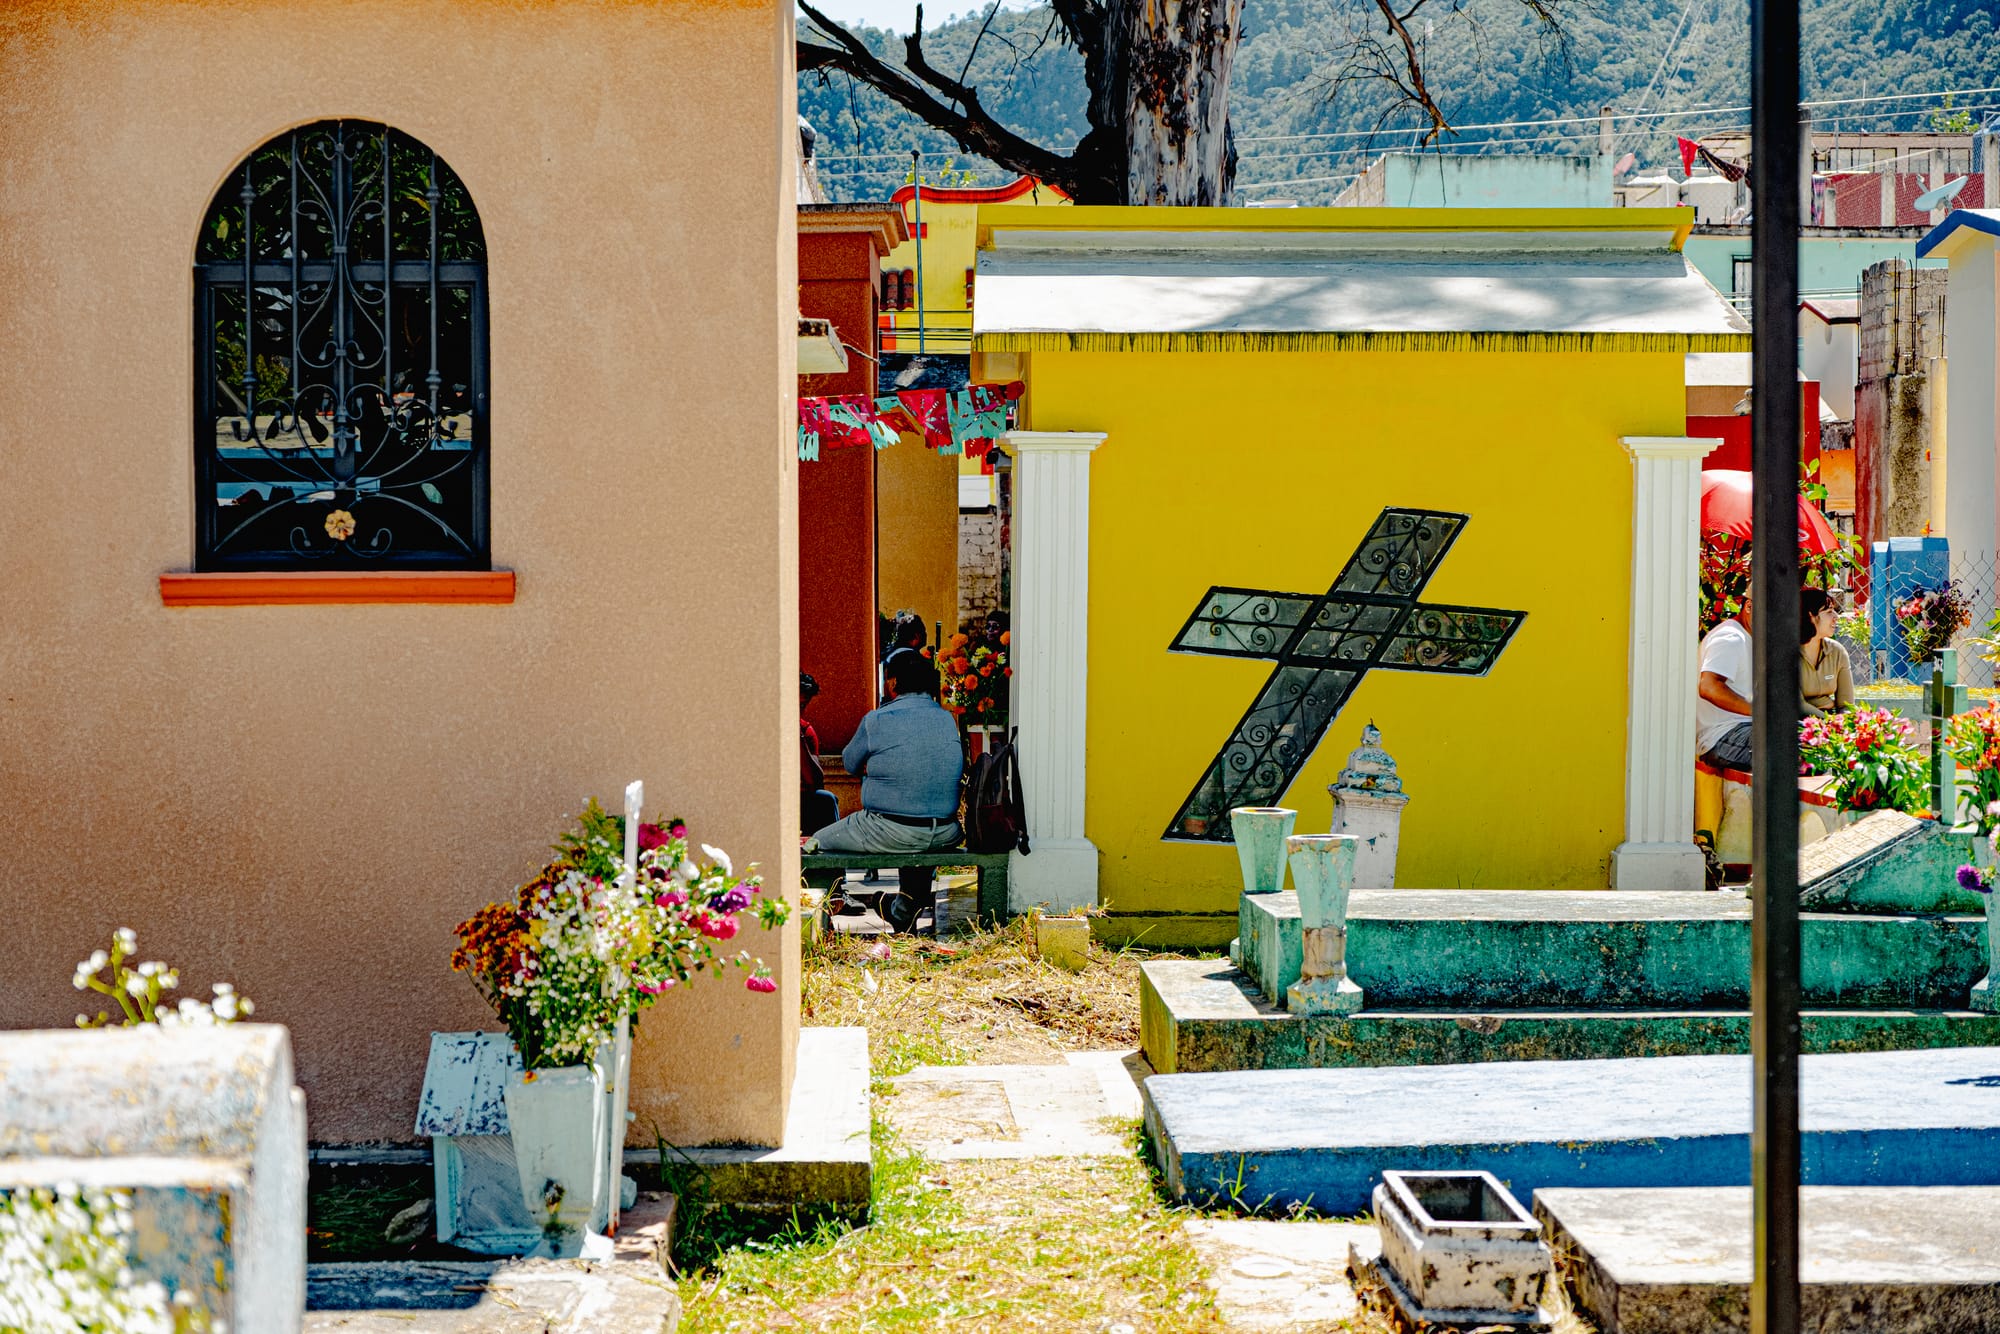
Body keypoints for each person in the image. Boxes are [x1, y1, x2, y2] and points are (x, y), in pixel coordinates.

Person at [809, 650, 964, 929]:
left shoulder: (877, 720)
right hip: (944, 832)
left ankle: (823, 921)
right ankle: (902, 912)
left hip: (886, 830)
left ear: (891, 683)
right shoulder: (946, 719)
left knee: (815, 844)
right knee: (916, 837)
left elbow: (850, 763)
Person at [1697, 589, 1754, 772]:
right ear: (1750, 607)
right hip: (1721, 737)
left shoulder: (1748, 637)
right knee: (1798, 748)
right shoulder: (1731, 638)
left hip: (1744, 731)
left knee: (1814, 740)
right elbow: (1708, 687)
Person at [1800, 588, 1854, 717]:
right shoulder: (1784, 653)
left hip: (1830, 720)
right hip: (1797, 723)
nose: (1836, 617)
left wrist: (1845, 723)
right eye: (1829, 611)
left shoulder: (1837, 651)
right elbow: (1796, 704)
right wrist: (1829, 724)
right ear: (1810, 616)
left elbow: (1846, 704)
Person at [800, 673, 839, 837]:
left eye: (802, 706)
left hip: (801, 797)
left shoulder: (806, 731)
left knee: (825, 800)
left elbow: (814, 781)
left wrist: (799, 740)